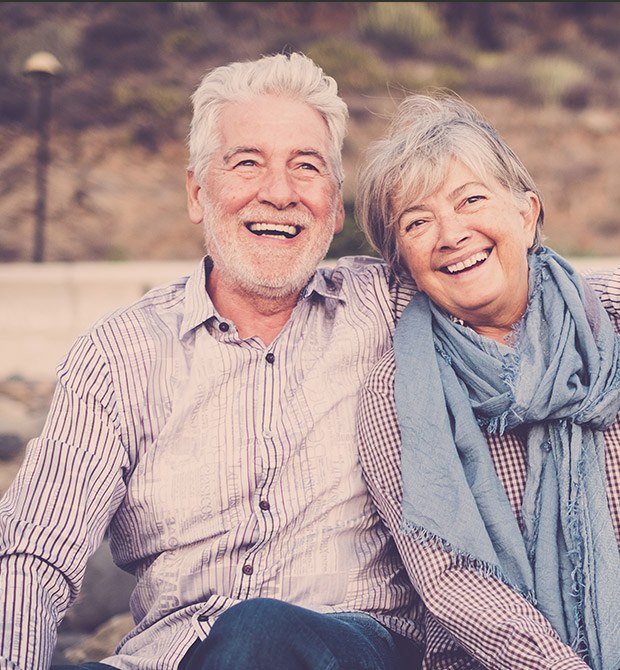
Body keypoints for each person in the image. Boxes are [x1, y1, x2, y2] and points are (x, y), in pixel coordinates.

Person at [0, 52, 601, 670]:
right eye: (247, 163)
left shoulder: (391, 307)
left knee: (261, 631)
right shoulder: (120, 354)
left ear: (335, 206)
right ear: (197, 192)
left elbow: (513, 288)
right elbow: (33, 553)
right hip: (171, 655)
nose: (279, 192)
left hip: (357, 646)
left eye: (306, 167)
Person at [355, 90, 620, 670]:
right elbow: (452, 578)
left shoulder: (613, 319)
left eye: (470, 199)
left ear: (526, 215)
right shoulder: (395, 393)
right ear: (403, 263)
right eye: (417, 222)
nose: (450, 234)